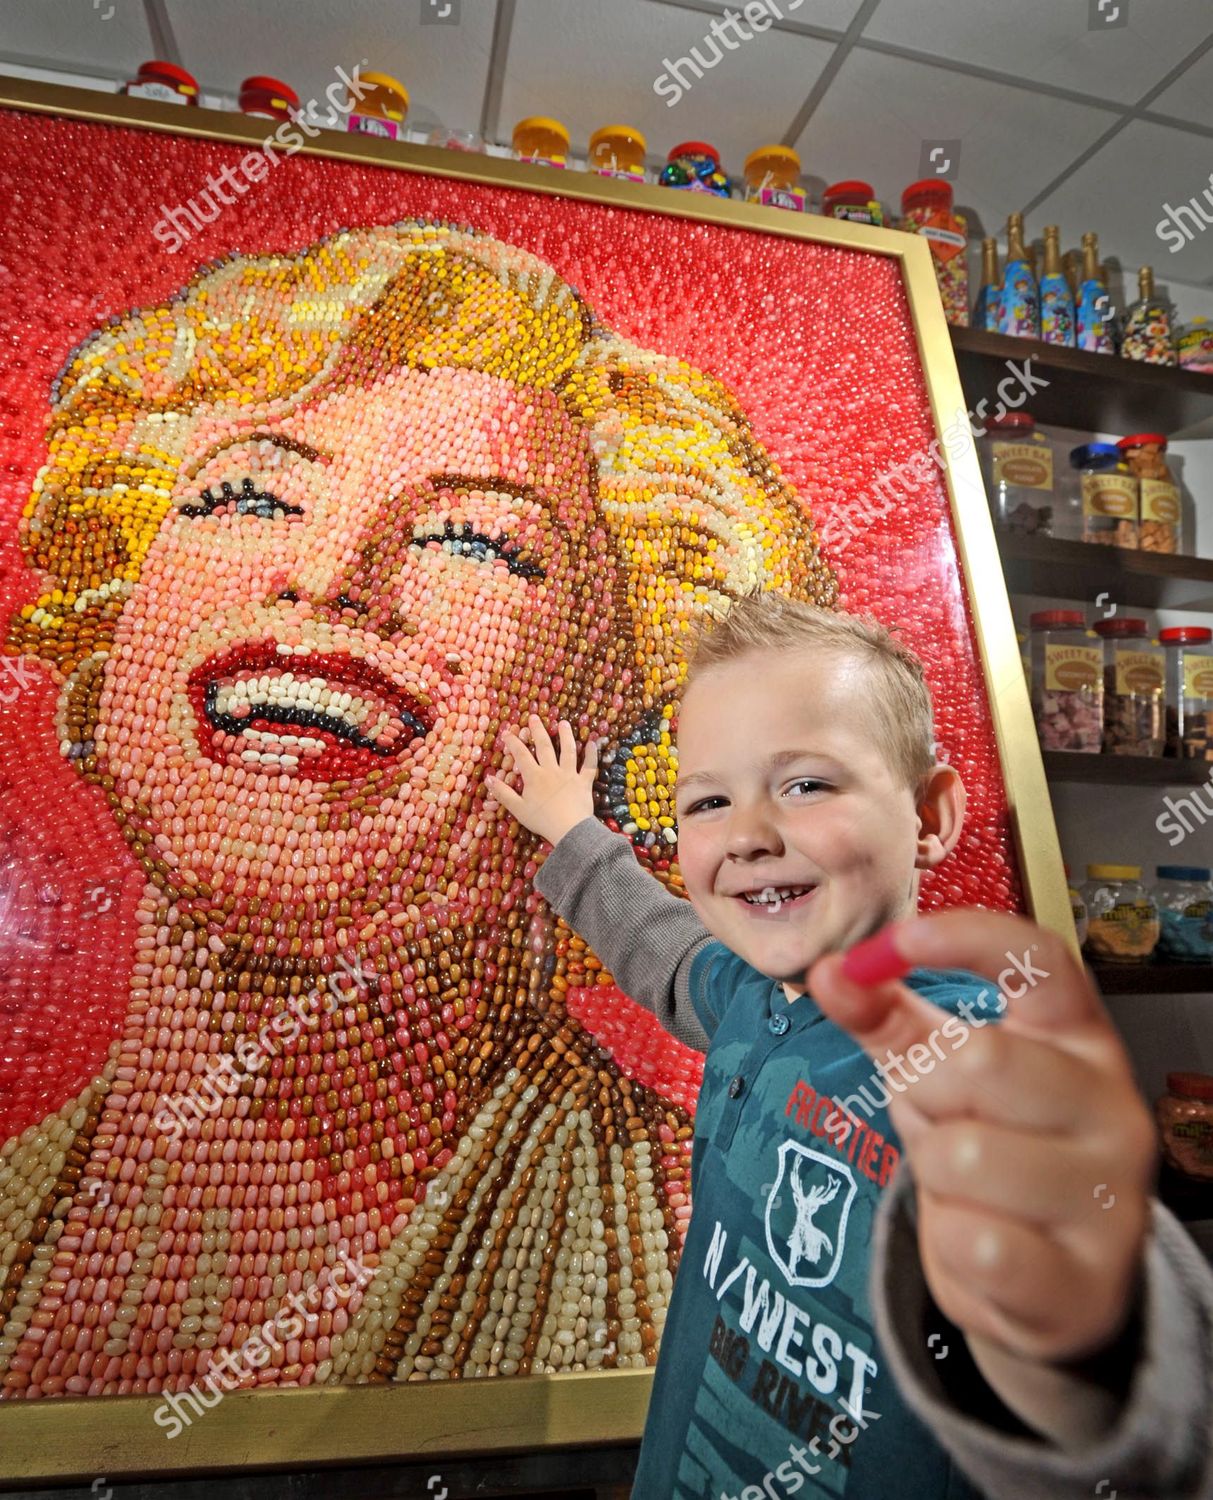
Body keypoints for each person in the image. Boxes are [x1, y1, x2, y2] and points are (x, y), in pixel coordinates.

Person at [0, 221, 836, 1399]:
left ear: (627, 694)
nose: (332, 575)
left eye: (472, 539)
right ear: (119, 605)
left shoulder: (727, 1244)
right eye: (247, 493)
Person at [486, 592, 1213, 1499]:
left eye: (807, 785)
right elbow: (671, 960)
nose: (748, 836)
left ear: (930, 818)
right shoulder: (755, 1004)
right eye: (709, 801)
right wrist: (574, 833)